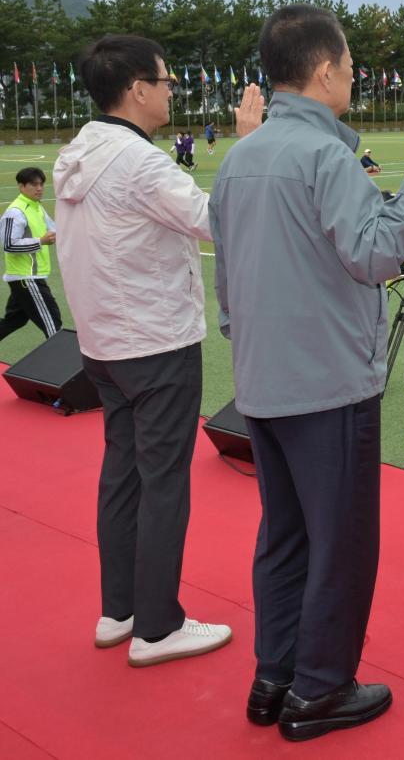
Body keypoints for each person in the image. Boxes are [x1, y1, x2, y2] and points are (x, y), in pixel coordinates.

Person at [210, 5, 404, 740]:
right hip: (327, 383)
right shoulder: (324, 156)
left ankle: (274, 677)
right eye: (347, 66)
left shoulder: (240, 156)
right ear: (321, 71)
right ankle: (319, 688)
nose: (352, 77)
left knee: (284, 535)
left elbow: (226, 277)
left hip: (264, 380)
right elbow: (376, 253)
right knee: (339, 541)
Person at [55, 35, 260, 671]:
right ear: (138, 89)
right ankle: (159, 625)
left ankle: (120, 609)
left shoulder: (80, 150)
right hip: (153, 340)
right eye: (167, 81)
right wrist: (249, 144)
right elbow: (218, 217)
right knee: (163, 479)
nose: (173, 91)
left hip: (102, 342)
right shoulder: (139, 163)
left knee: (123, 472)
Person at [0, 167, 62, 344]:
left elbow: (55, 229)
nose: (40, 188)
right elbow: (9, 245)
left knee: (15, 320)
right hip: (26, 278)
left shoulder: (37, 208)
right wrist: (40, 241)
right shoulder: (16, 212)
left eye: (41, 184)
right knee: (53, 325)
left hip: (28, 277)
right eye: (34, 184)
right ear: (21, 186)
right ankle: (58, 369)